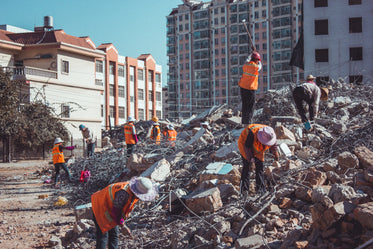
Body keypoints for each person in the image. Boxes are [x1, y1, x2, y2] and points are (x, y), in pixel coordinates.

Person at [91, 177, 158, 249]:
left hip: (110, 208)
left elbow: (120, 210)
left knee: (114, 234)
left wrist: (122, 221)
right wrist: (123, 226)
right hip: (100, 206)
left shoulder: (132, 193)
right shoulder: (123, 193)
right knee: (103, 235)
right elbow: (116, 212)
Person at [238, 124, 279, 194]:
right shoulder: (251, 133)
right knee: (247, 167)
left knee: (260, 167)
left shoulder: (269, 133)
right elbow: (247, 148)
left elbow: (273, 142)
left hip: (258, 147)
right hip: (245, 145)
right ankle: (244, 191)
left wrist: (275, 152)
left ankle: (260, 190)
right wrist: (251, 161)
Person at [238, 52, 262, 126]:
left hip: (242, 87)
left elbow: (247, 59)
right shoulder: (256, 67)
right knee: (250, 106)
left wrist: (252, 54)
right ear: (256, 60)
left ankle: (244, 122)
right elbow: (260, 66)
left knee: (245, 105)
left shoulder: (246, 65)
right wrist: (258, 59)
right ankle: (248, 123)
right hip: (250, 88)